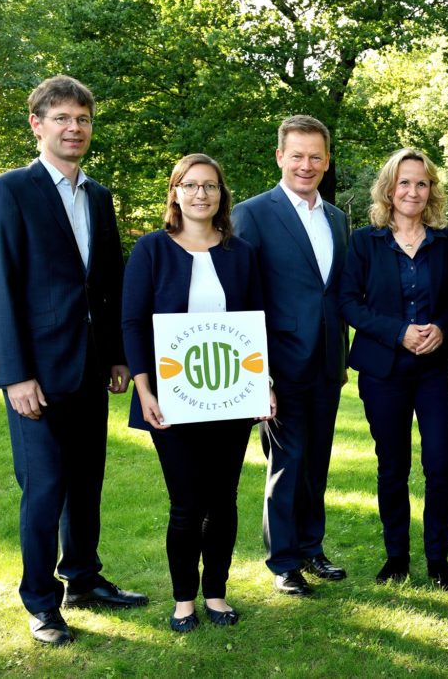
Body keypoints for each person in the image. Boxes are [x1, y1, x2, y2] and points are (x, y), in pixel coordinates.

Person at [0, 75, 147, 646]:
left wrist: (119, 356)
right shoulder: (8, 190)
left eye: (82, 119)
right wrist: (15, 373)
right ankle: (41, 603)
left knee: (86, 483)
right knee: (45, 487)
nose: (74, 129)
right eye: (62, 119)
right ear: (37, 124)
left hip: (90, 367)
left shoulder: (98, 196)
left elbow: (108, 282)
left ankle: (84, 579)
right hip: (35, 375)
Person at [122, 154, 273, 632]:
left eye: (210, 186)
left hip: (231, 397)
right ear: (175, 192)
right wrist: (145, 391)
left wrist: (264, 384)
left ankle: (217, 593)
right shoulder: (150, 250)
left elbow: (256, 324)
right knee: (187, 504)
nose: (201, 194)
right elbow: (132, 323)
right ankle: (184, 598)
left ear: (221, 195)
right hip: (171, 398)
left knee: (224, 500)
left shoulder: (241, 253)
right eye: (191, 185)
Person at [232, 115, 351, 596]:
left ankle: (310, 548)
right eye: (297, 155)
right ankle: (283, 561)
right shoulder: (252, 213)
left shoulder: (339, 218)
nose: (307, 164)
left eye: (316, 156)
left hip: (326, 362)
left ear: (326, 162)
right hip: (278, 366)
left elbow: (335, 292)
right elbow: (242, 297)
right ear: (280, 156)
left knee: (316, 462)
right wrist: (256, 374)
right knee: (286, 463)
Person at [339, 148, 448, 589]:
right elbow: (349, 303)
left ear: (432, 190)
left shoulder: (445, 241)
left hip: (435, 372)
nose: (413, 191)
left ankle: (437, 558)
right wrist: (399, 332)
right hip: (383, 370)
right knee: (391, 465)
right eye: (404, 182)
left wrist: (442, 330)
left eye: (422, 183)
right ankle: (396, 557)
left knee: (441, 463)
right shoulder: (364, 241)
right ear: (389, 188)